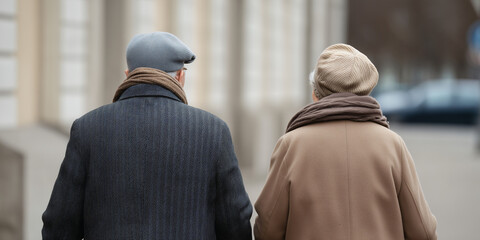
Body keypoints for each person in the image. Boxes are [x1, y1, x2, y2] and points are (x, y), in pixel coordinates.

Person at [42, 32, 253, 240]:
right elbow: (236, 223)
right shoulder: (213, 131)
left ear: (127, 74)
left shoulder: (87, 129)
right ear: (181, 76)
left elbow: (59, 225)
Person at [254, 44, 437, 240]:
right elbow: (423, 232)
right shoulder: (392, 145)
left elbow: (267, 229)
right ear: (366, 91)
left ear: (316, 94)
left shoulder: (291, 145)